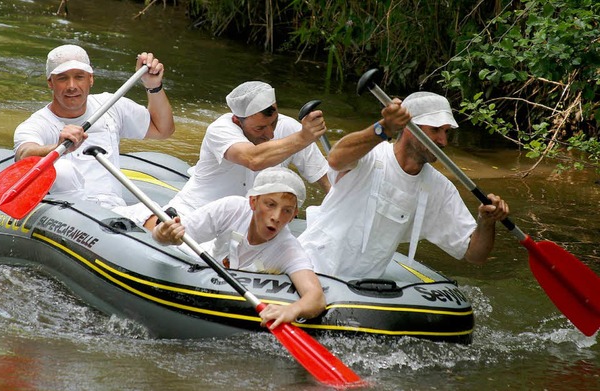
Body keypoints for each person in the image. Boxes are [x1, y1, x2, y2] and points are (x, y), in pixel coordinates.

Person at [298, 91, 510, 279]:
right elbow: (335, 159)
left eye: (447, 132)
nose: (443, 141)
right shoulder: (371, 156)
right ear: (410, 128)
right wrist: (383, 128)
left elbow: (475, 255)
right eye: (436, 129)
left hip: (362, 286)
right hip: (309, 267)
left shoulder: (440, 188)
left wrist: (486, 221)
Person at [152, 167, 326, 329]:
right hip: (206, 273)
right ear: (253, 201)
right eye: (270, 204)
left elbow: (316, 298)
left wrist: (292, 310)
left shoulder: (289, 249)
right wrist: (163, 234)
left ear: (294, 216)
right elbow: (175, 235)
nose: (276, 217)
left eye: (287, 210)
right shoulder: (231, 208)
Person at [140, 81, 330, 228]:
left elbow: (327, 180)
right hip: (195, 214)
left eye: (274, 123)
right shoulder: (220, 129)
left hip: (252, 226)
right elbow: (253, 159)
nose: (270, 134)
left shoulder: (292, 129)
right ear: (237, 121)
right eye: (260, 128)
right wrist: (303, 138)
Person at [13, 44, 174, 212]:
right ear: (50, 83)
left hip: (114, 211)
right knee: (63, 169)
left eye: (79, 77)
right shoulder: (36, 124)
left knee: (156, 216)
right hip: (68, 215)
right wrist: (58, 147)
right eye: (62, 78)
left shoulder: (111, 105)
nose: (72, 86)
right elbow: (24, 154)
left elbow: (163, 129)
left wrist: (153, 85)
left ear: (91, 79)